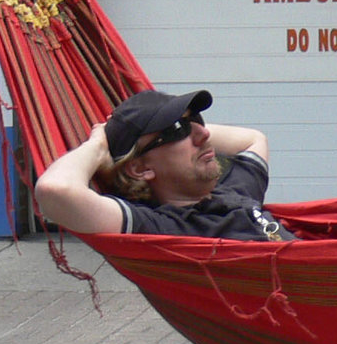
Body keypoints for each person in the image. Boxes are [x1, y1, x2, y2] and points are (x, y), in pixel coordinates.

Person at [33, 88, 294, 241]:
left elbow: (253, 140)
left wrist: (187, 131)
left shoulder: (236, 189)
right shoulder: (161, 226)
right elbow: (55, 190)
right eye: (178, 129)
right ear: (140, 168)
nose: (204, 134)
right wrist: (98, 146)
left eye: (198, 120)